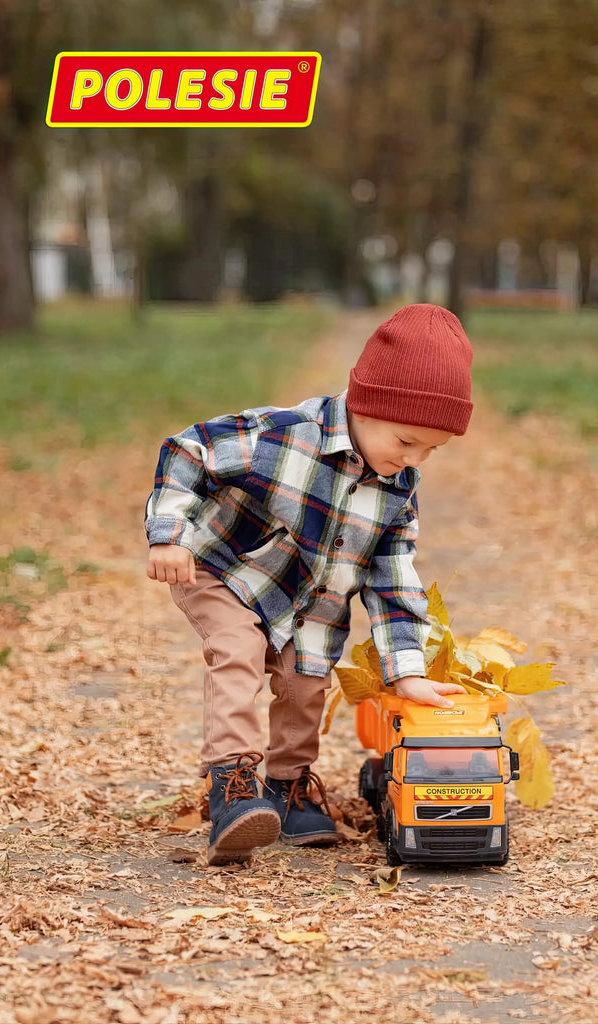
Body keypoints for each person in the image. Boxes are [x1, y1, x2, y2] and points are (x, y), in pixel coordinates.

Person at [144, 303, 472, 866]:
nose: (414, 460)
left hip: (308, 604)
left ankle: (287, 788)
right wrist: (169, 533)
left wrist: (408, 671)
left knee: (305, 683)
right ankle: (233, 786)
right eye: (406, 441)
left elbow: (393, 580)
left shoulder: (398, 490)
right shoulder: (280, 438)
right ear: (367, 406)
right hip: (224, 569)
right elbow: (187, 452)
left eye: (430, 450)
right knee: (239, 648)